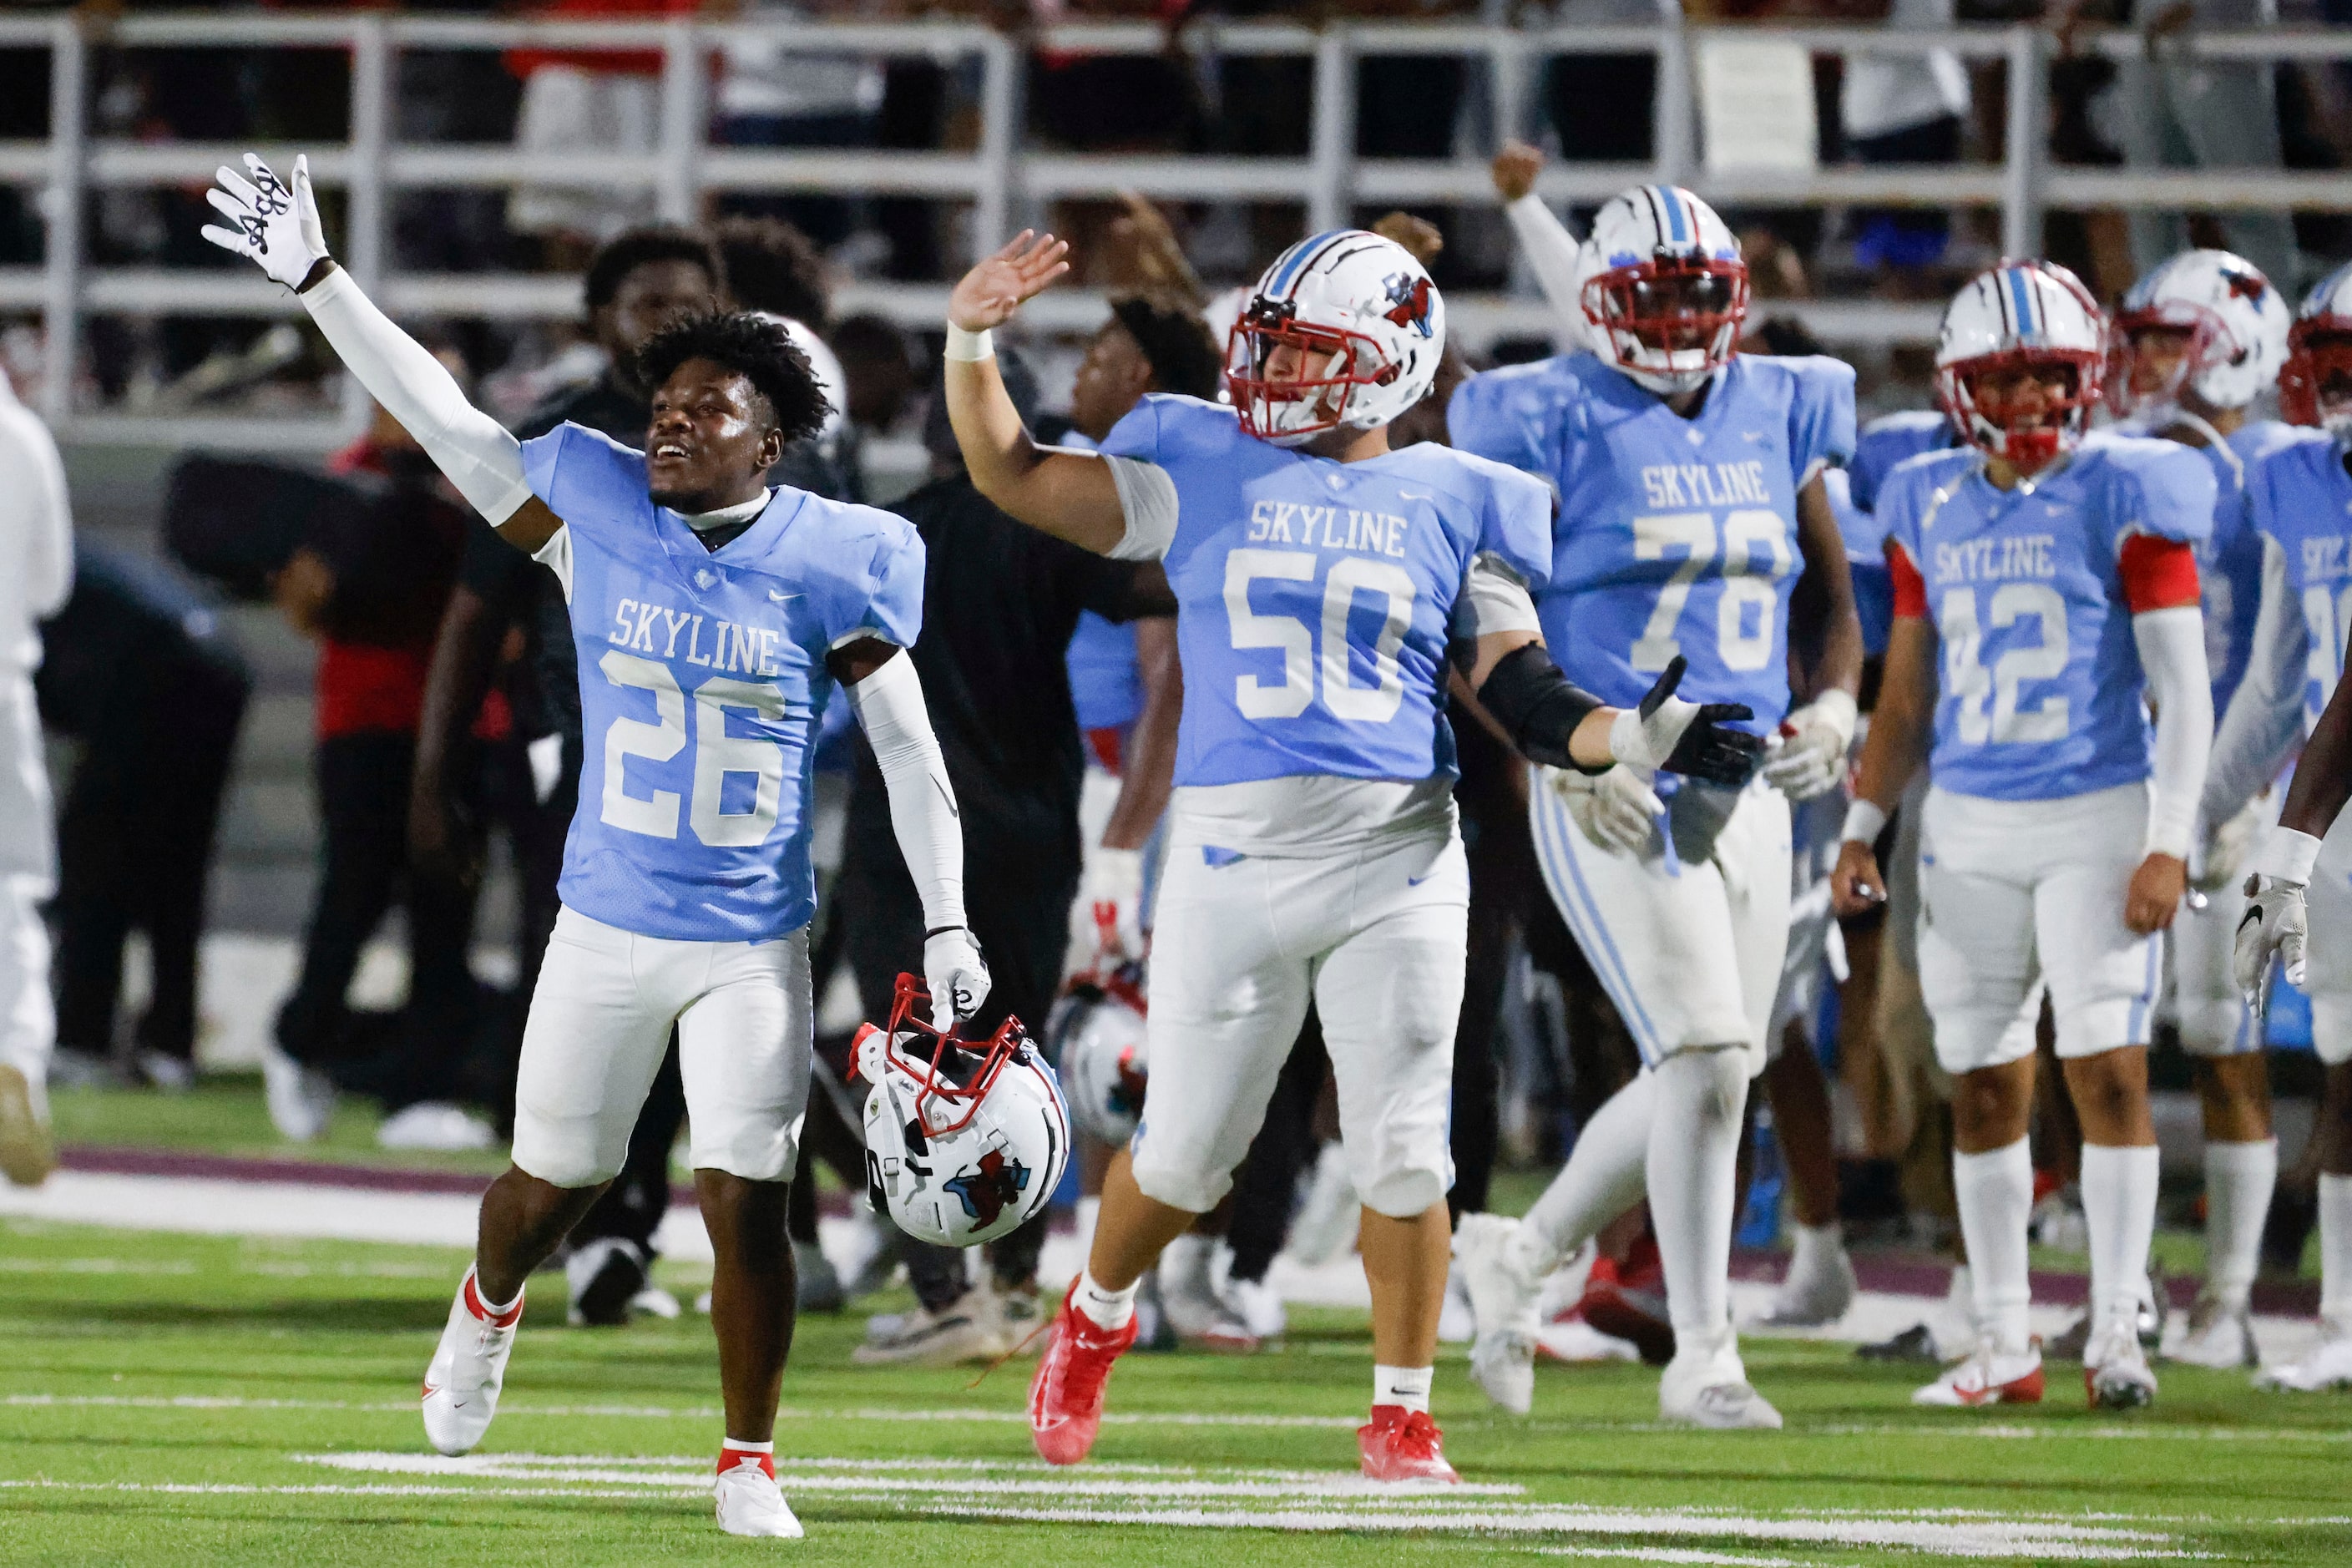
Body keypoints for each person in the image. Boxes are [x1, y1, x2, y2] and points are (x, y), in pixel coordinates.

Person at [202, 152, 987, 1538]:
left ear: (775, 439)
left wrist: (947, 925)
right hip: (607, 922)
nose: (673, 422)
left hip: (754, 937)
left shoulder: (842, 552)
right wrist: (322, 281)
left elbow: (912, 753)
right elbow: (441, 418)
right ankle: (487, 1304)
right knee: (541, 1189)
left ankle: (748, 1456)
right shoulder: (592, 498)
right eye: (666, 401)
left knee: (749, 1202)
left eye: (709, 408)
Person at [942, 223, 1762, 1481]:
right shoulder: (1198, 457)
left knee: (1404, 1145)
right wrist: (971, 338)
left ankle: (1400, 1409)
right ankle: (1093, 1315)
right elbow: (1009, 471)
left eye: (1305, 350)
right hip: (1231, 854)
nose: (1269, 373)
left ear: (1392, 362)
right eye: (1266, 345)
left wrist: (1633, 737)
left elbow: (1527, 691)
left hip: (1399, 855)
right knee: (1182, 1155)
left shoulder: (1457, 490)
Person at [1445, 180, 1863, 1429]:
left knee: (1715, 1068)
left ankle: (1518, 1255)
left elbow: (1831, 608)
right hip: (1611, 778)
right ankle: (1704, 1354)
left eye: (1698, 298)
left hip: (1750, 780)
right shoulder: (1535, 413)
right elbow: (1481, 627)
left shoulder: (1785, 404)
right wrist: (1561, 759)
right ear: (1593, 303)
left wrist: (1836, 706)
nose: (1678, 323)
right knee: (1706, 1049)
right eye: (1652, 297)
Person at [1831, 260, 2215, 1412]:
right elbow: (1904, 698)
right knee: (1982, 1087)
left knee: (2108, 1073)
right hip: (1969, 822)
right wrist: (1860, 823)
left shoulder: (2129, 490)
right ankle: (2000, 1338)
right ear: (1962, 388)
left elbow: (2182, 691)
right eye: (2014, 380)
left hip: (2097, 813)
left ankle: (2114, 1333)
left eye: (2056, 379)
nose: (2039, 402)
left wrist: (2168, 837)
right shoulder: (1924, 498)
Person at [407, 225, 726, 1323]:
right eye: (645, 302)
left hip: (722, 776)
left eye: (688, 300)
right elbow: (471, 613)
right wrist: (430, 773)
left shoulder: (761, 430)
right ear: (599, 321)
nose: (667, 320)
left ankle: (633, 1226)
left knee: (704, 1004)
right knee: (591, 1002)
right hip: (584, 758)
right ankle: (589, 1227)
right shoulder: (561, 441)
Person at [842, 344, 1177, 1366]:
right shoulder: (1046, 530)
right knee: (1016, 1055)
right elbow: (1159, 611)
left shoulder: (884, 538)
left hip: (903, 834)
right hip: (1035, 822)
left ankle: (942, 1290)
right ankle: (1019, 1286)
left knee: (905, 1061)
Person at [2107, 249, 2296, 1370]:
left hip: (2238, 794)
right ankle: (2121, 1292)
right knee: (2103, 1039)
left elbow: (2288, 652)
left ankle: (2228, 1297)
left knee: (2226, 1038)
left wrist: (2255, 791)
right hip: (2119, 783)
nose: (2147, 364)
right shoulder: (2121, 459)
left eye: (2169, 341)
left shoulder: (2278, 465)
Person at [2208, 262, 2352, 1392]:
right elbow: (2275, 687)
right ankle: (2344, 1321)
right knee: (2344, 1064)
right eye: (2336, 366)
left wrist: (2288, 833)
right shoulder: (2294, 477)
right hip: (2334, 800)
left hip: (2323, 808)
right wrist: (2195, 822)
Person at [39, 543, 250, 1092]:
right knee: (176, 870)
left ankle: (81, 1041)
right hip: (217, 663)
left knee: (93, 858)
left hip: (151, 669)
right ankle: (168, 1047)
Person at [0, 357, 71, 1186]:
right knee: (14, 891)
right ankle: (18, 1052)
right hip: (6, 694)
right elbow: (51, 588)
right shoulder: (23, 436)